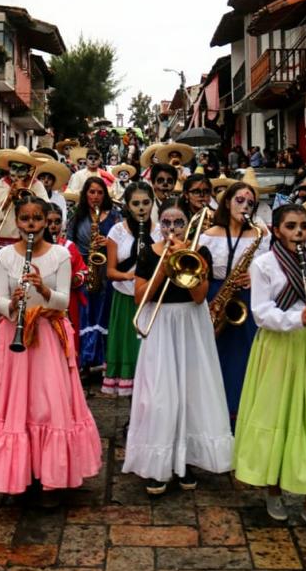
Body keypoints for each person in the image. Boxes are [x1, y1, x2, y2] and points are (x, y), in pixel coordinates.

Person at [0, 195, 102, 505]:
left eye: (37, 219)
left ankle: (51, 478)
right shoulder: (4, 256)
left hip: (48, 334)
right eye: (25, 219)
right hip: (16, 337)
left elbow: (61, 300)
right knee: (17, 405)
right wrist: (14, 303)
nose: (31, 225)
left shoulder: (60, 255)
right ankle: (20, 473)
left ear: (46, 222)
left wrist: (43, 288)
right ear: (17, 222)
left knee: (47, 404)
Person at [233, 203, 306, 540]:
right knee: (277, 415)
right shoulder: (264, 265)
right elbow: (261, 313)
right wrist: (298, 317)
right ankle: (274, 490)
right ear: (277, 230)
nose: (299, 232)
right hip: (278, 347)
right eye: (291, 226)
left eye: (303, 227)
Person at [123, 197, 233, 494]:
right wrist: (164, 266)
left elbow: (200, 296)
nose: (172, 229)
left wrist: (186, 257)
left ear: (188, 224)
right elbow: (139, 298)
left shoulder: (201, 251)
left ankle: (186, 461)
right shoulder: (148, 253)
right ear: (159, 224)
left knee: (190, 392)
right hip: (160, 325)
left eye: (179, 223)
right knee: (159, 394)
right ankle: (157, 465)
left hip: (191, 323)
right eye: (167, 223)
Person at [199, 180, 269, 423]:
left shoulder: (260, 236)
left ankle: (242, 409)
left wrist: (255, 275)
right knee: (215, 355)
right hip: (216, 296)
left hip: (247, 299)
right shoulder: (207, 236)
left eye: (250, 203)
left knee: (245, 356)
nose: (245, 206)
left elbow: (270, 270)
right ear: (227, 202)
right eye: (240, 200)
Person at [103, 181, 158, 397]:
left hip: (153, 300)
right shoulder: (117, 231)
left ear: (152, 203)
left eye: (146, 202)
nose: (141, 208)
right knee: (131, 353)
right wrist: (129, 275)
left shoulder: (161, 229)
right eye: (136, 203)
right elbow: (110, 271)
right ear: (127, 205)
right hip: (126, 299)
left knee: (152, 353)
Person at [67, 177, 121, 371]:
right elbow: (68, 244)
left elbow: (122, 241)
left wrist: (109, 242)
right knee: (86, 314)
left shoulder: (115, 216)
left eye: (99, 192)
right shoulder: (76, 216)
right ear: (85, 194)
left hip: (107, 270)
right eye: (92, 192)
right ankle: (86, 358)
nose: (95, 196)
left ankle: (105, 358)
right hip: (85, 269)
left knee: (105, 313)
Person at [0, 147, 48, 247]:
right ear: (9, 168)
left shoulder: (37, 186)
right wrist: (6, 201)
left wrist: (25, 193)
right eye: (14, 168)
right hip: (2, 244)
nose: (17, 173)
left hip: (30, 242)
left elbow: (47, 211)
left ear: (28, 170)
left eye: (21, 169)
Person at [47, 205, 87, 356]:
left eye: (57, 222)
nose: (53, 226)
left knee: (68, 343)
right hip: (44, 303)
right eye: (49, 222)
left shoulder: (69, 247)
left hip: (68, 303)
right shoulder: (35, 248)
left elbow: (82, 270)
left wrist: (76, 278)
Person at [34, 159, 70, 228]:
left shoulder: (60, 198)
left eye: (49, 179)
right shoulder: (33, 196)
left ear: (53, 182)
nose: (46, 181)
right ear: (37, 181)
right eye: (42, 178)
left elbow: (63, 219)